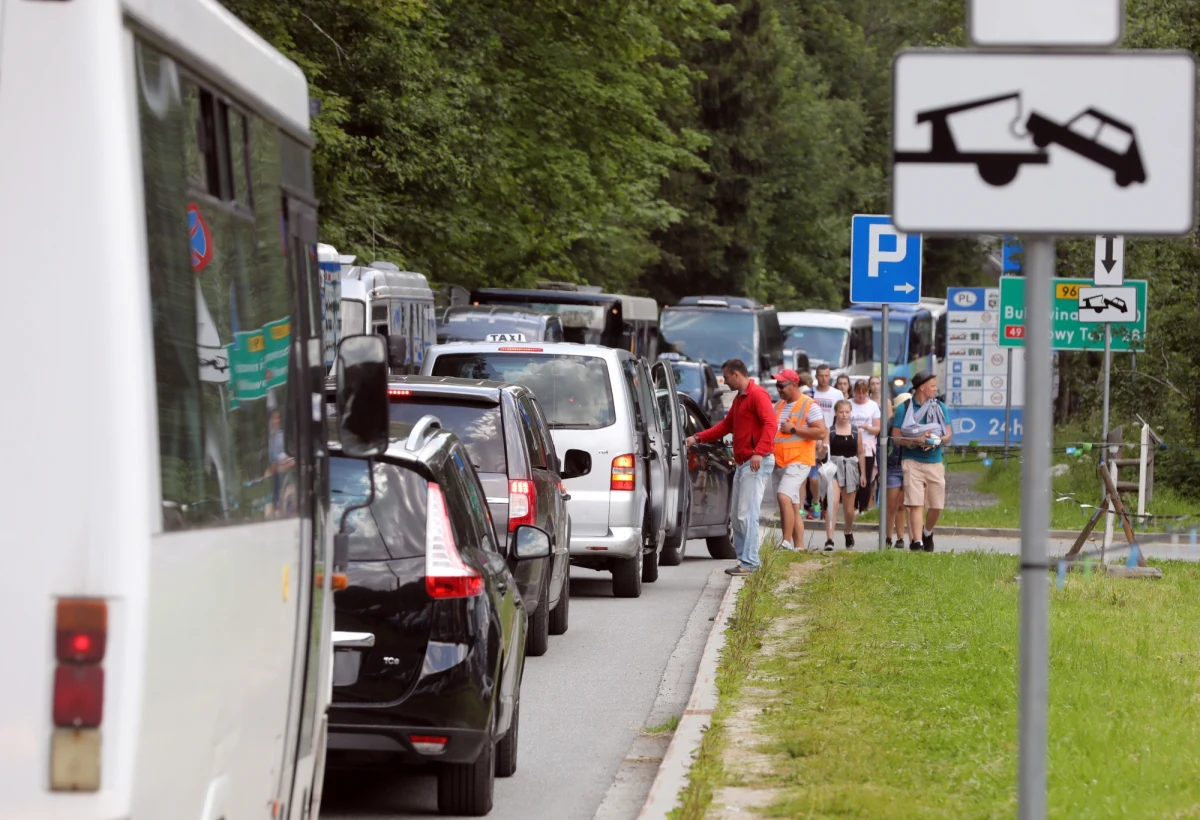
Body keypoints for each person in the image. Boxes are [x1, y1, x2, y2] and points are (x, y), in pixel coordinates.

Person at [686, 359, 776, 576]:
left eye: (726, 377)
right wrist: (698, 437)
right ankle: (744, 561)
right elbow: (726, 426)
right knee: (737, 515)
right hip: (744, 462)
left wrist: (758, 452)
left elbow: (771, 424)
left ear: (736, 374)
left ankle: (751, 563)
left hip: (755, 462)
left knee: (747, 514)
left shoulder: (757, 395)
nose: (725, 382)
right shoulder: (740, 399)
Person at [891, 370, 951, 552]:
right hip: (912, 461)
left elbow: (948, 434)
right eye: (933, 385)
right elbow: (896, 438)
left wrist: (939, 439)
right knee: (915, 504)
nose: (935, 388)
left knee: (937, 505)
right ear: (922, 388)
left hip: (934, 460)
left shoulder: (940, 407)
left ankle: (927, 531)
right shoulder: (905, 408)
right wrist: (917, 440)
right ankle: (916, 543)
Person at [769, 369, 825, 551]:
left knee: (783, 496)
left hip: (799, 460)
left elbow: (821, 432)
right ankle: (799, 547)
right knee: (792, 506)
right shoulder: (778, 405)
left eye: (781, 385)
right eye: (777, 386)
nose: (778, 389)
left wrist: (794, 429)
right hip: (780, 462)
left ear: (794, 385)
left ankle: (785, 542)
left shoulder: (809, 405)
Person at [824, 400, 866, 550]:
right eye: (841, 412)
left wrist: (863, 474)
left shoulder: (856, 431)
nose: (844, 415)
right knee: (832, 503)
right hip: (834, 468)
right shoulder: (830, 431)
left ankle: (848, 531)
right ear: (836, 413)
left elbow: (860, 452)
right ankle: (830, 539)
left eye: (847, 412)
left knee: (849, 510)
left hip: (850, 468)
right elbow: (824, 451)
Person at [807, 365, 844, 521]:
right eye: (821, 375)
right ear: (816, 376)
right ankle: (815, 503)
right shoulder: (810, 393)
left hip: (830, 438)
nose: (823, 378)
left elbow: (841, 415)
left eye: (826, 375)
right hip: (812, 438)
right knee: (813, 477)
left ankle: (826, 507)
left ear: (830, 376)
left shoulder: (836, 394)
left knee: (829, 476)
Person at [884, 392, 911, 549]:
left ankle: (900, 537)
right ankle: (888, 536)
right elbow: (881, 446)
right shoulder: (890, 424)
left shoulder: (914, 424)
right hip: (893, 467)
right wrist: (882, 468)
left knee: (902, 505)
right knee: (891, 505)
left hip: (908, 466)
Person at [850, 380, 881, 512]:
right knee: (852, 476)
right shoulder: (849, 403)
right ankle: (853, 505)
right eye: (858, 392)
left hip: (867, 443)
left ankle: (863, 507)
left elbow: (877, 429)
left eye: (864, 392)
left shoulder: (873, 406)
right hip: (850, 443)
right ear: (854, 392)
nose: (861, 395)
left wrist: (867, 427)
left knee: (866, 476)